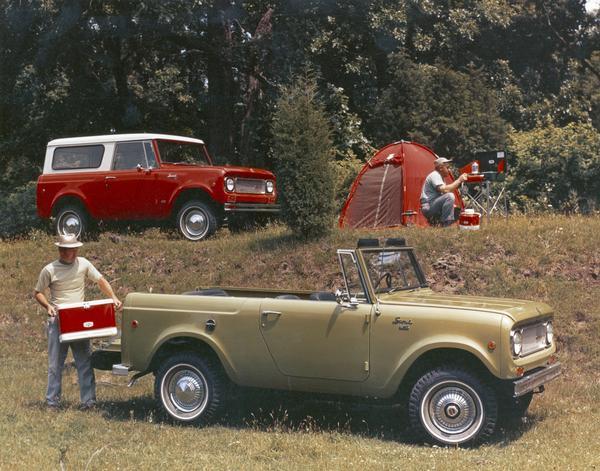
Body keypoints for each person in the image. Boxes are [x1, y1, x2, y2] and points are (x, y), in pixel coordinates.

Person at [33, 233, 122, 410]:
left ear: (76, 249)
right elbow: (38, 292)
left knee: (84, 361)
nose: (68, 253)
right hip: (59, 321)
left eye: (71, 250)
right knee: (55, 364)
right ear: (60, 249)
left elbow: (100, 280)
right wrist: (48, 306)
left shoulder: (84, 264)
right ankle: (52, 402)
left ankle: (88, 402)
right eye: (65, 250)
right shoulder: (49, 269)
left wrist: (113, 297)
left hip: (79, 321)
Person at [420, 157, 468, 227]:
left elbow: (443, 195)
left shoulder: (440, 177)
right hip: (429, 206)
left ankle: (437, 224)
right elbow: (446, 190)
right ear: (440, 168)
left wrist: (452, 206)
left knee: (457, 210)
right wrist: (459, 180)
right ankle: (446, 225)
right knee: (450, 196)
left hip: (433, 205)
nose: (449, 170)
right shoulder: (435, 175)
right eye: (447, 167)